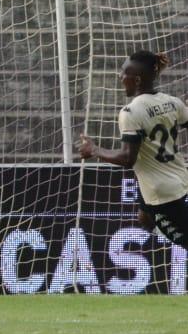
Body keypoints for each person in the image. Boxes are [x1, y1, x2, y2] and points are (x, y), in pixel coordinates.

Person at [78, 49, 188, 245]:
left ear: (137, 80)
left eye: (124, 72)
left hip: (162, 194)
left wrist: (93, 149)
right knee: (144, 217)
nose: (120, 76)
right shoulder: (173, 102)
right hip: (179, 178)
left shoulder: (130, 112)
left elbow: (127, 158)